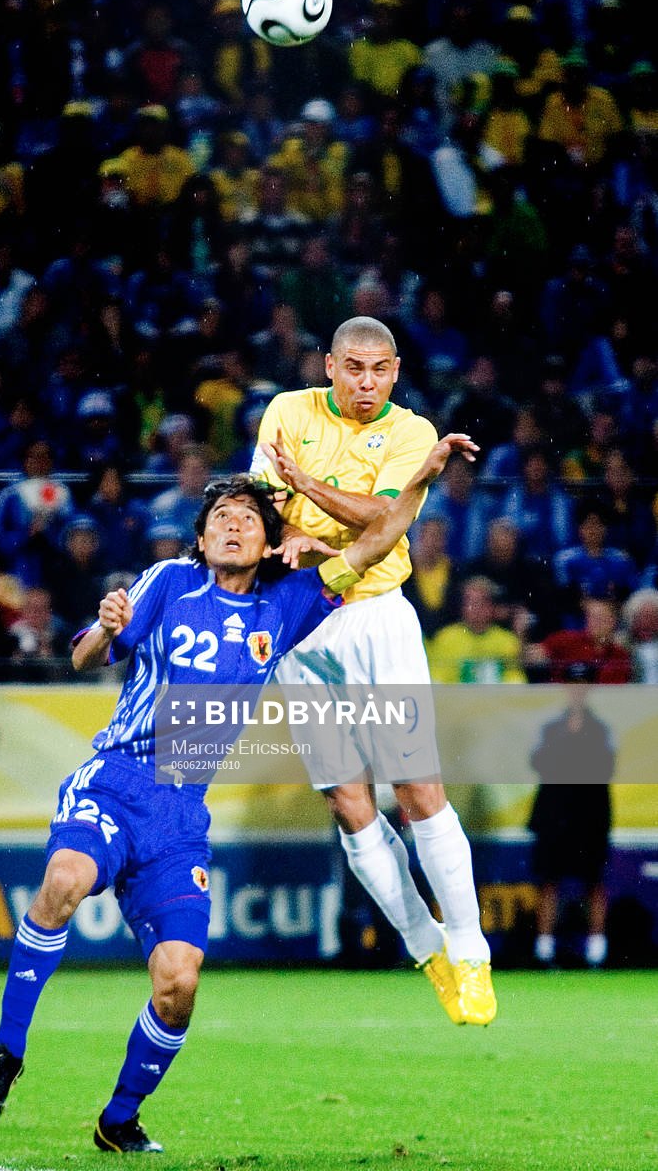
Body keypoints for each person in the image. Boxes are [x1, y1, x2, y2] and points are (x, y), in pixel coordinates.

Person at [0, 437, 474, 1149]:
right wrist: (105, 629)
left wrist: (421, 475)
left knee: (180, 981)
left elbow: (381, 535)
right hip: (116, 781)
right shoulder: (168, 582)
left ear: (270, 540)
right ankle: (7, 1049)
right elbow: (84, 653)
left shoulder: (290, 603)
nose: (232, 525)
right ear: (201, 539)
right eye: (219, 518)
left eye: (247, 517)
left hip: (180, 817)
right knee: (64, 877)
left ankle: (119, 1121)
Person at [251, 315, 497, 1025]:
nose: (366, 383)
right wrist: (285, 523)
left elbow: (377, 520)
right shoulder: (287, 412)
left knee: (418, 790)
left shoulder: (415, 434)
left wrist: (307, 498)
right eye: (353, 368)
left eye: (379, 370)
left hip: (375, 617)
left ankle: (472, 953)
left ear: (395, 372)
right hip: (300, 621)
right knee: (346, 802)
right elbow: (264, 503)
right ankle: (430, 952)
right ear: (329, 365)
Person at [528, 665, 616, 968]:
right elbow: (538, 761)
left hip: (588, 815)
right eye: (572, 684)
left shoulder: (601, 729)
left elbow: (606, 767)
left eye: (583, 684)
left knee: (593, 881)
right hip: (556, 813)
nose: (577, 690)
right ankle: (544, 948)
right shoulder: (553, 728)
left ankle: (596, 949)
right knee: (549, 880)